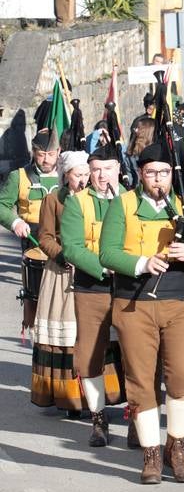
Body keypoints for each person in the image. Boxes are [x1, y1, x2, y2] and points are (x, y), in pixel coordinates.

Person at [99, 137, 184, 484]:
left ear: (172, 174)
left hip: (179, 303)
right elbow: (107, 253)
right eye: (152, 172)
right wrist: (141, 262)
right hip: (134, 303)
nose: (158, 179)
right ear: (140, 174)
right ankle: (151, 453)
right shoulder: (123, 205)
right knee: (141, 382)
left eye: (164, 172)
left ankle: (177, 445)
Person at [61, 141, 123, 447]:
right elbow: (72, 247)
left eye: (107, 169)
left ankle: (139, 416)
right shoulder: (77, 202)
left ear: (119, 170)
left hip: (130, 287)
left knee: (138, 352)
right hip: (93, 286)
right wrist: (104, 267)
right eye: (96, 170)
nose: (101, 176)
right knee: (90, 354)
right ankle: (99, 417)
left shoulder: (132, 200)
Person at [31, 150, 90, 413]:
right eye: (78, 175)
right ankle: (68, 396)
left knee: (91, 332)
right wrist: (63, 255)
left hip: (91, 269)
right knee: (66, 334)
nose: (83, 180)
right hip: (62, 272)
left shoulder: (95, 199)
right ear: (66, 176)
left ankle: (94, 395)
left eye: (86, 174)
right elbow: (44, 237)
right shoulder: (53, 199)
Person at [0, 127, 60, 329]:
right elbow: (2, 205)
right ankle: (35, 329)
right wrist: (15, 222)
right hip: (31, 236)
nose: (46, 160)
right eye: (41, 154)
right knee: (35, 291)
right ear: (34, 152)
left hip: (62, 238)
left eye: (51, 154)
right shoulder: (19, 176)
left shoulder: (68, 175)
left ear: (59, 152)